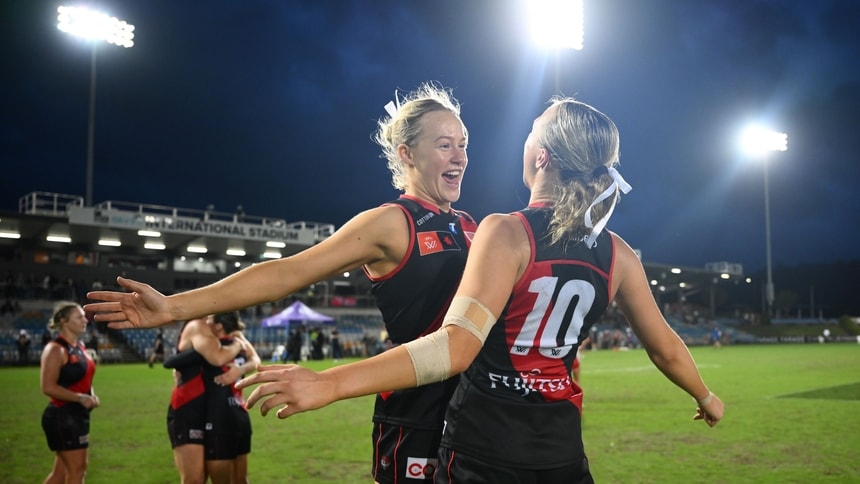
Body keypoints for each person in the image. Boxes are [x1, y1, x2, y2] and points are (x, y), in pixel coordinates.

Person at [232, 97, 725, 482]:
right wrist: (705, 395)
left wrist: (329, 382)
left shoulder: (504, 230)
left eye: (533, 129)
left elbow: (457, 345)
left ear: (541, 156)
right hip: (560, 446)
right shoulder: (619, 252)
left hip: (484, 443)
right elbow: (665, 348)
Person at [85, 81, 477, 484]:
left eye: (463, 144)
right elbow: (285, 273)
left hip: (476, 410)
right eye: (445, 144)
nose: (460, 156)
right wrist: (173, 307)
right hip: (417, 415)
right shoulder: (392, 222)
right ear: (407, 154)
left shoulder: (470, 226)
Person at [165, 312, 260, 484]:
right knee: (195, 479)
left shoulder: (226, 335)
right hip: (188, 410)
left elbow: (255, 359)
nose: (208, 320)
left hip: (214, 412)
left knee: (220, 478)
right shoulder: (197, 326)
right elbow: (217, 357)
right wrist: (238, 346)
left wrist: (241, 368)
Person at [40, 301, 99, 484]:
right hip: (62, 416)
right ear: (64, 321)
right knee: (77, 471)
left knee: (59, 475)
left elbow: (84, 380)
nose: (85, 320)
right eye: (79, 316)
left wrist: (90, 395)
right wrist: (80, 398)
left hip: (76, 415)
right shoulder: (55, 349)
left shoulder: (80, 347)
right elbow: (47, 387)